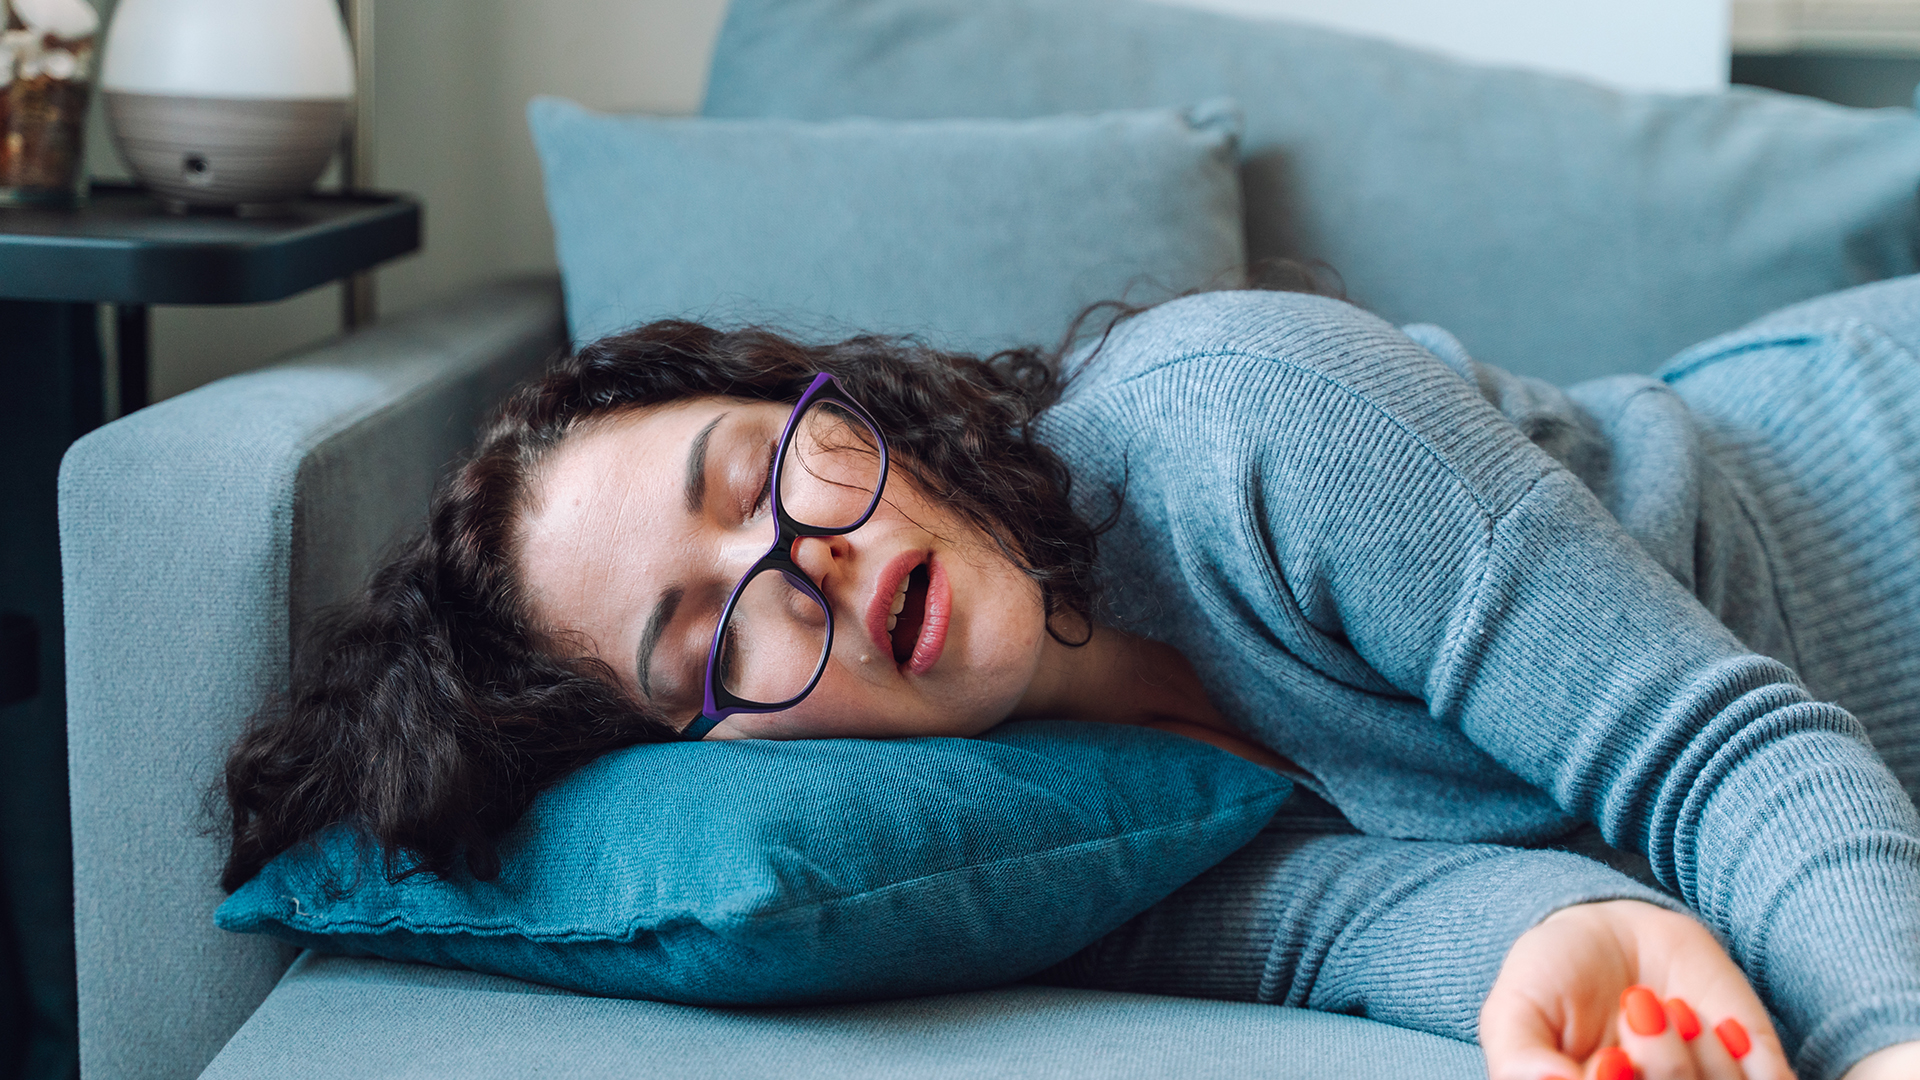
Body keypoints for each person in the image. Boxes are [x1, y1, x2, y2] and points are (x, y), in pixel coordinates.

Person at [220, 276, 1920, 1080]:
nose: (791, 564)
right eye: (705, 634)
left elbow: (1725, 754)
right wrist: (1556, 947)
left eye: (755, 473)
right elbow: (1334, 916)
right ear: (712, 751)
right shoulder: (1029, 827)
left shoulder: (1242, 413)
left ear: (843, 399)